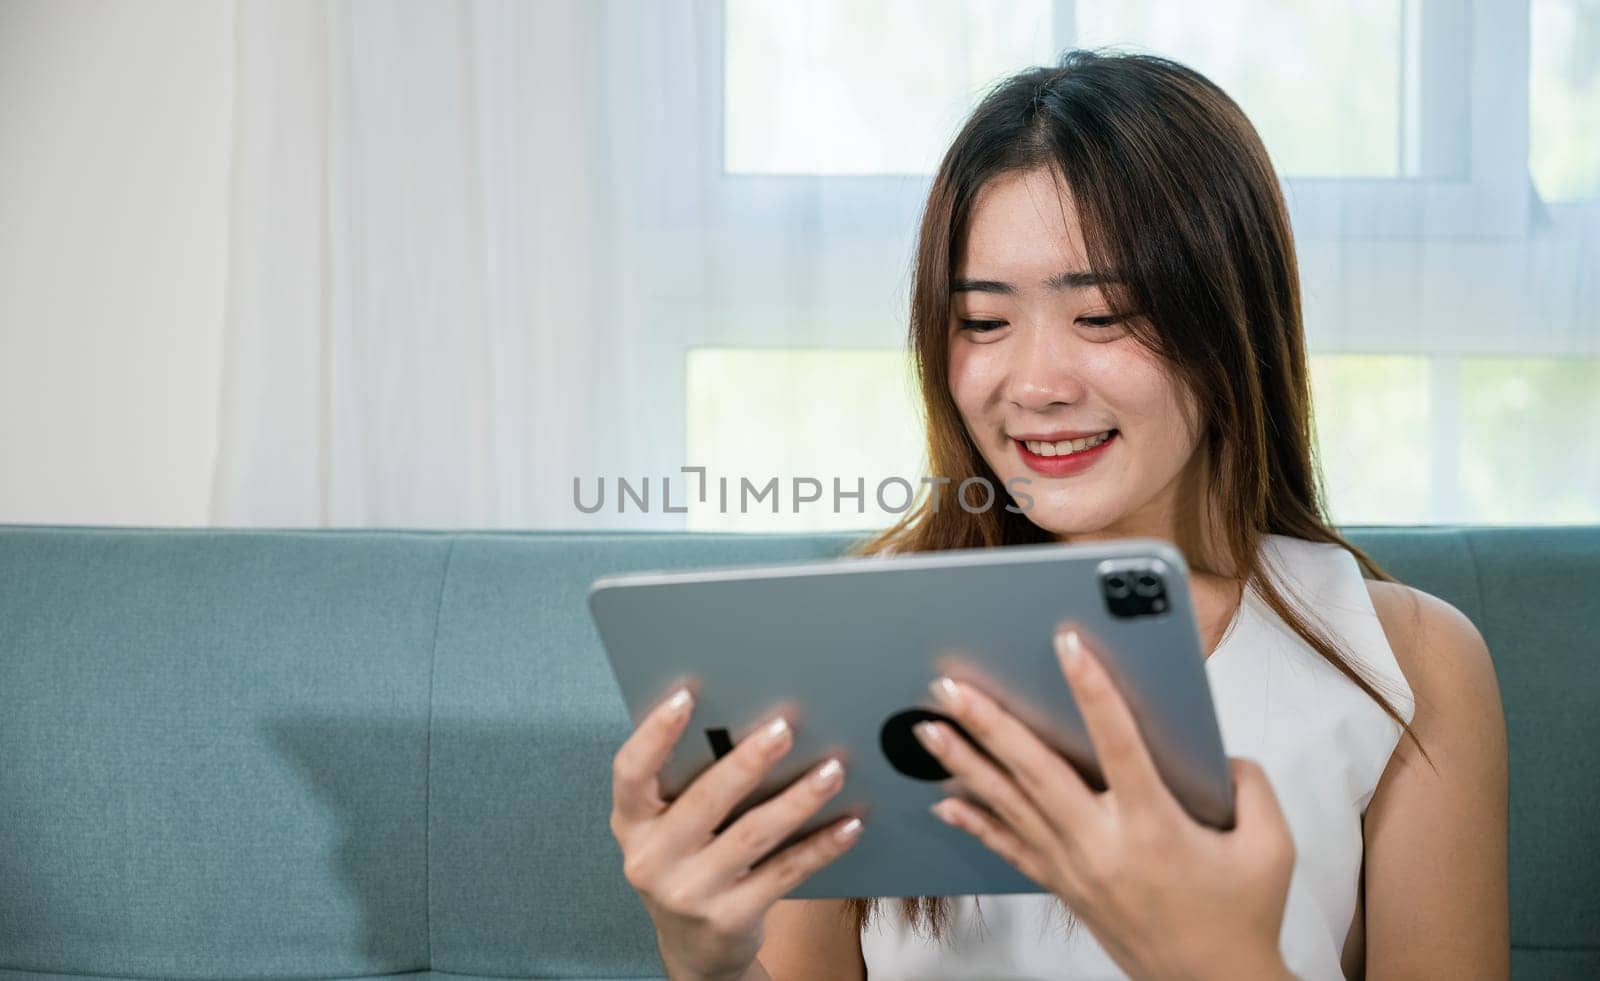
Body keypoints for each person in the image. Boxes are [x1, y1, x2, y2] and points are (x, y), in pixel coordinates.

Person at [607, 49, 1509, 980]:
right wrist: (706, 954)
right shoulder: (862, 633)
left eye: (1105, 315)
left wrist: (1217, 955)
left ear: (1230, 316)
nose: (1035, 384)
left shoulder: (1406, 661)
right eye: (985, 323)